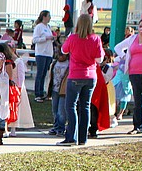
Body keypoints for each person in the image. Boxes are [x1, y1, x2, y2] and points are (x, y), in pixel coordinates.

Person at [58, 14, 104, 146]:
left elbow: (63, 50)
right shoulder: (96, 39)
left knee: (71, 106)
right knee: (85, 107)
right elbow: (99, 59)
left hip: (75, 75)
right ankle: (83, 138)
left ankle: (71, 136)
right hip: (90, 76)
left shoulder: (73, 38)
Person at [32, 10, 54, 103]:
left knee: (44, 74)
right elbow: (35, 40)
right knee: (40, 73)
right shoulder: (39, 27)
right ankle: (38, 93)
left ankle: (42, 92)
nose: (50, 18)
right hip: (41, 53)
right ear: (44, 17)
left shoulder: (48, 27)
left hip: (48, 53)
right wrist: (45, 38)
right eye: (48, 16)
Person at [47, 51, 69, 136]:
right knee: (55, 110)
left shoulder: (69, 64)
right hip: (54, 89)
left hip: (64, 90)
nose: (60, 56)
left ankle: (61, 128)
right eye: (58, 54)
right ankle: (56, 126)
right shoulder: (54, 63)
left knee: (61, 111)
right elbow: (50, 77)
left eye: (62, 54)